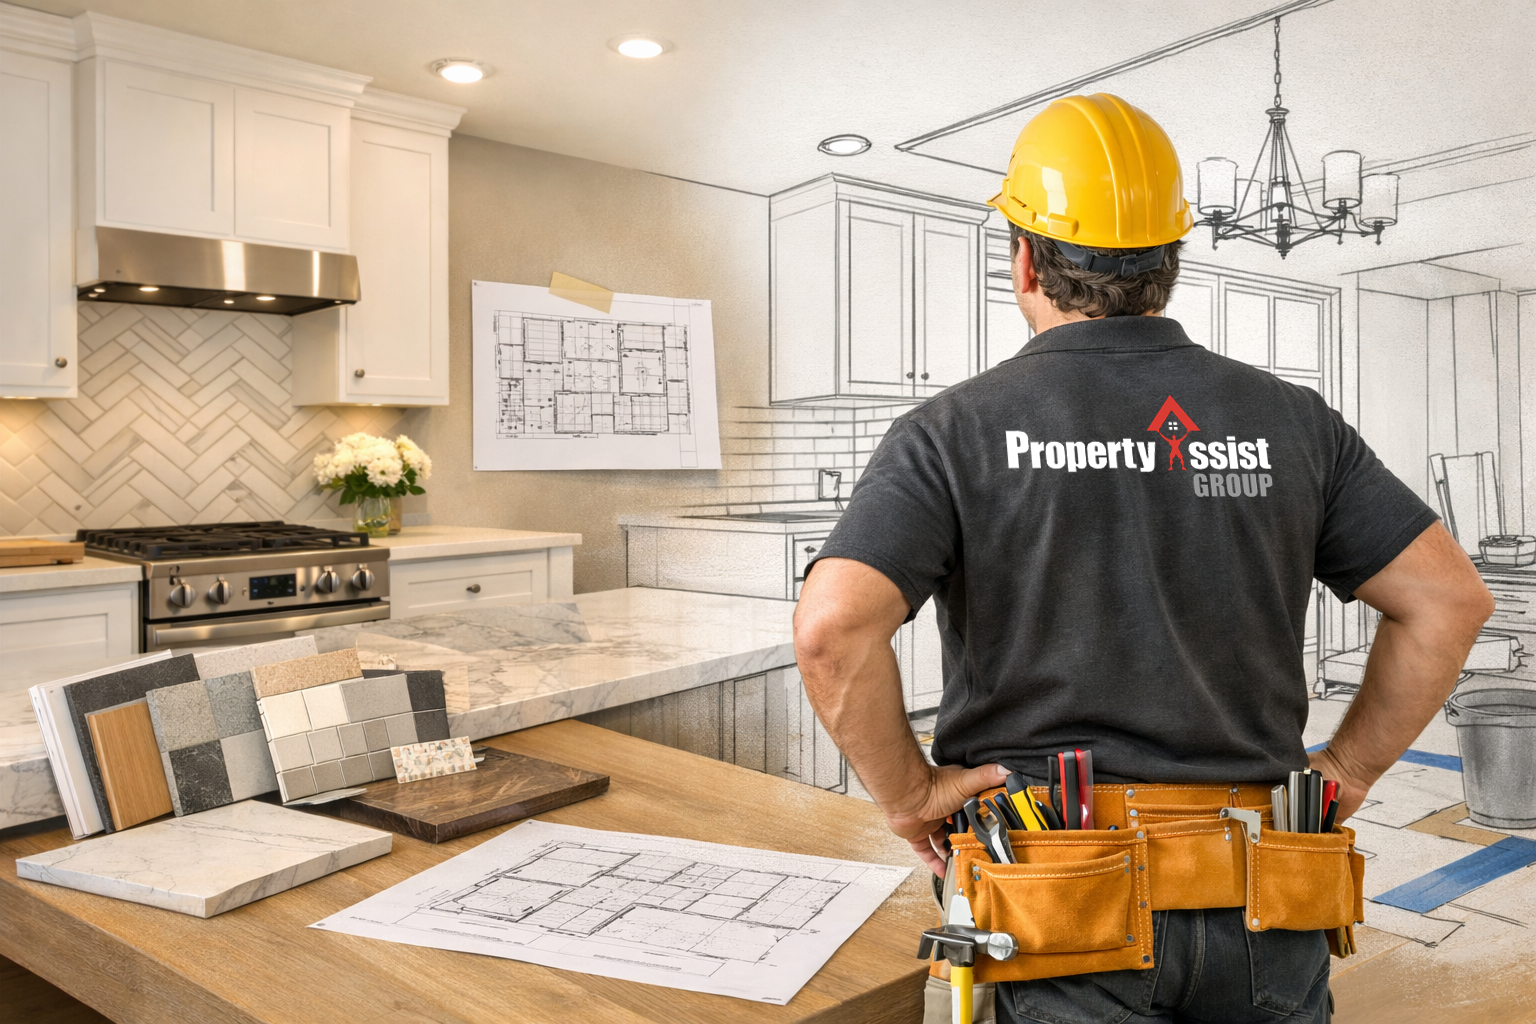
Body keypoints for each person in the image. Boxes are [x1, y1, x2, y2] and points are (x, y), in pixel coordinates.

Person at [792, 93, 1493, 1024]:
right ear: (1170, 261)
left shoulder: (950, 431)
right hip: (1266, 874)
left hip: (1054, 889)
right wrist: (1351, 771)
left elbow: (833, 629)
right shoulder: (1292, 421)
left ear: (1026, 258)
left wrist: (911, 795)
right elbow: (1448, 602)